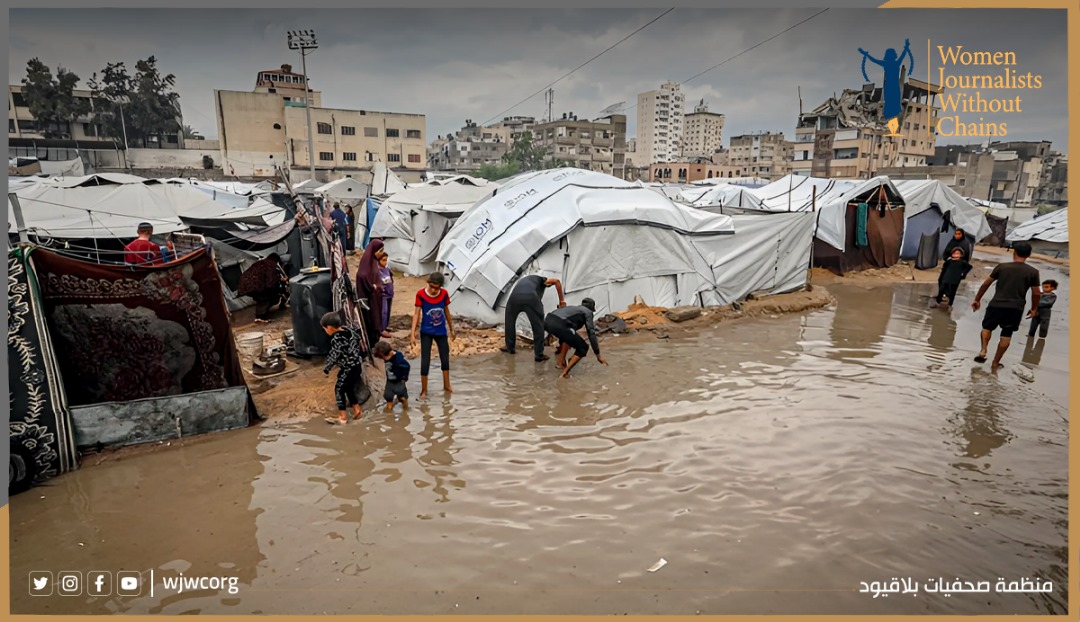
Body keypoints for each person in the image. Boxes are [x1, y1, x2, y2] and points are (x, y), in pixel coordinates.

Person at [970, 241, 1041, 371]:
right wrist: (1034, 308)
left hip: (996, 304)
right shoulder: (1033, 272)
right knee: (1006, 335)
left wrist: (977, 299)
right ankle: (995, 363)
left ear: (1014, 252)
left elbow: (986, 283)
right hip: (1015, 308)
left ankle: (983, 349)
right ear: (1028, 255)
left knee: (987, 328)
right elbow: (1036, 293)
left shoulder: (1002, 267)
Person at [500, 274, 566, 362]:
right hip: (530, 298)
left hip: (514, 298)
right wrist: (561, 301)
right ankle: (539, 355)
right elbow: (556, 281)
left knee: (510, 322)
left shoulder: (526, 280)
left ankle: (509, 347)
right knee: (538, 326)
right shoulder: (542, 281)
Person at [410, 271, 454, 397]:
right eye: (432, 287)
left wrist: (452, 329)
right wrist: (412, 334)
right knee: (425, 361)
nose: (434, 290)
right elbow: (417, 314)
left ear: (440, 287)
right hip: (426, 332)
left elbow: (447, 312)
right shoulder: (421, 294)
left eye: (437, 288)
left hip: (441, 332)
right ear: (428, 284)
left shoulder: (444, 294)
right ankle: (424, 390)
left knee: (445, 360)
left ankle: (447, 385)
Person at [321, 311, 367, 425]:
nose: (325, 331)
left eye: (325, 329)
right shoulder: (350, 331)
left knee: (339, 389)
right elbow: (358, 339)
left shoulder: (337, 339)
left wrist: (327, 367)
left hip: (348, 368)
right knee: (348, 388)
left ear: (330, 328)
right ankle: (357, 410)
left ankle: (342, 417)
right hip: (357, 365)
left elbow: (334, 354)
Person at [543, 298, 608, 379]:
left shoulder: (573, 309)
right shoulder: (588, 312)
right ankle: (564, 374)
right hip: (560, 324)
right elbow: (591, 333)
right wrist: (598, 355)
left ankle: (561, 363)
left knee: (568, 338)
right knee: (583, 347)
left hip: (547, 321)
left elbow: (567, 336)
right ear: (592, 308)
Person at [355, 239, 387, 351]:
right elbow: (362, 276)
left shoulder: (373, 262)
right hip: (369, 301)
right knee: (370, 321)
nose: (382, 253)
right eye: (380, 251)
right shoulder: (366, 264)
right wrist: (372, 286)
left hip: (376, 299)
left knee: (376, 319)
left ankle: (375, 343)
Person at [237, 253, 290, 321]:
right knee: (265, 298)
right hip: (255, 286)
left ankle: (262, 314)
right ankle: (261, 317)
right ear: (276, 260)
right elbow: (270, 281)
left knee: (261, 297)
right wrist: (276, 288)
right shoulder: (271, 264)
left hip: (244, 285)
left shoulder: (261, 263)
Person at [373, 340, 410, 413]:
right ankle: (389, 411)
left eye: (383, 357)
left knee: (402, 397)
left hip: (399, 382)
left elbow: (407, 366)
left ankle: (405, 410)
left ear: (390, 353)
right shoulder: (386, 356)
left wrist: (404, 378)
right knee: (388, 396)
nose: (382, 359)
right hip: (390, 382)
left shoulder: (399, 360)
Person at [377, 251, 394, 338]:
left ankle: (385, 326)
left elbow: (391, 278)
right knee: (383, 312)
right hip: (383, 295)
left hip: (389, 293)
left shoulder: (387, 269)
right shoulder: (377, 271)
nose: (385, 262)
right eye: (383, 260)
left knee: (388, 311)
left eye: (386, 260)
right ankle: (381, 329)